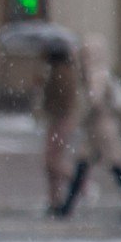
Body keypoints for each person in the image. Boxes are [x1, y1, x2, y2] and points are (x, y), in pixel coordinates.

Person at [51, 34, 121, 219]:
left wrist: (80, 117)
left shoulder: (97, 74)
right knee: (83, 164)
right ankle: (67, 207)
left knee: (114, 164)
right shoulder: (94, 73)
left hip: (102, 128)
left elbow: (94, 101)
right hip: (95, 129)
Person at [35, 43, 80, 212]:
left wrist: (44, 87)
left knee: (53, 161)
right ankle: (54, 199)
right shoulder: (57, 72)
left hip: (61, 120)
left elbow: (61, 100)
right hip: (58, 120)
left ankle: (78, 181)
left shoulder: (61, 73)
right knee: (50, 162)